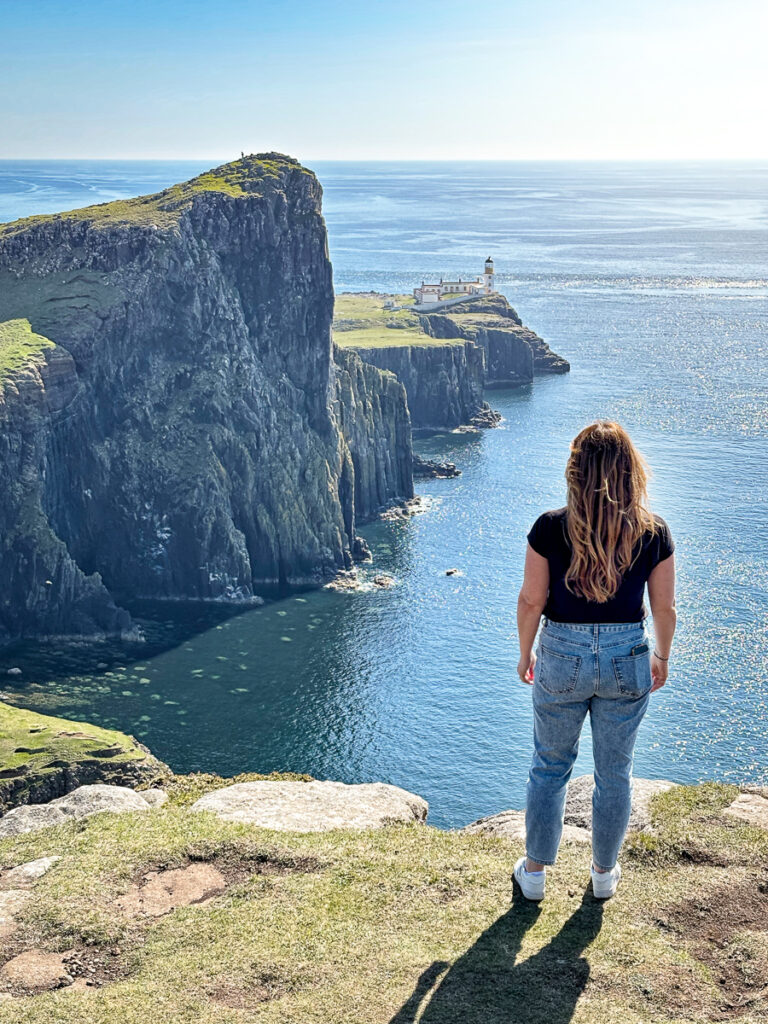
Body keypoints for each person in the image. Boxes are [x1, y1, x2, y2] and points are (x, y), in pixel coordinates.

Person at [513, 420, 677, 901]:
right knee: (615, 773)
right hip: (628, 655)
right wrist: (661, 655)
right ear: (631, 472)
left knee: (549, 766)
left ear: (575, 471)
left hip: (562, 652)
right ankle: (604, 876)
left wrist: (526, 653)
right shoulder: (654, 532)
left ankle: (536, 875)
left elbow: (530, 600)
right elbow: (664, 609)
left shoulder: (549, 527)